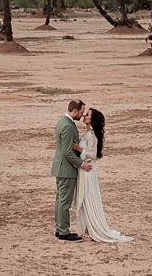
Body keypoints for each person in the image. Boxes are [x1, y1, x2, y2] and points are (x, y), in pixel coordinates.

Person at [74, 108, 134, 243]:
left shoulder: (91, 136)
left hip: (88, 170)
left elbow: (92, 155)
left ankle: (91, 229)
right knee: (85, 198)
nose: (84, 115)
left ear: (92, 119)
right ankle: (87, 228)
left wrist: (79, 149)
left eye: (87, 114)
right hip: (84, 170)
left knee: (88, 197)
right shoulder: (88, 133)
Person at [51, 99, 92, 242]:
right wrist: (82, 164)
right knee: (64, 201)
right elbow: (67, 152)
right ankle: (63, 232)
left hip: (61, 168)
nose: (82, 115)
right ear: (74, 111)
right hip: (66, 170)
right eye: (81, 112)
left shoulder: (63, 122)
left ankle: (59, 229)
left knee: (59, 200)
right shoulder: (68, 126)